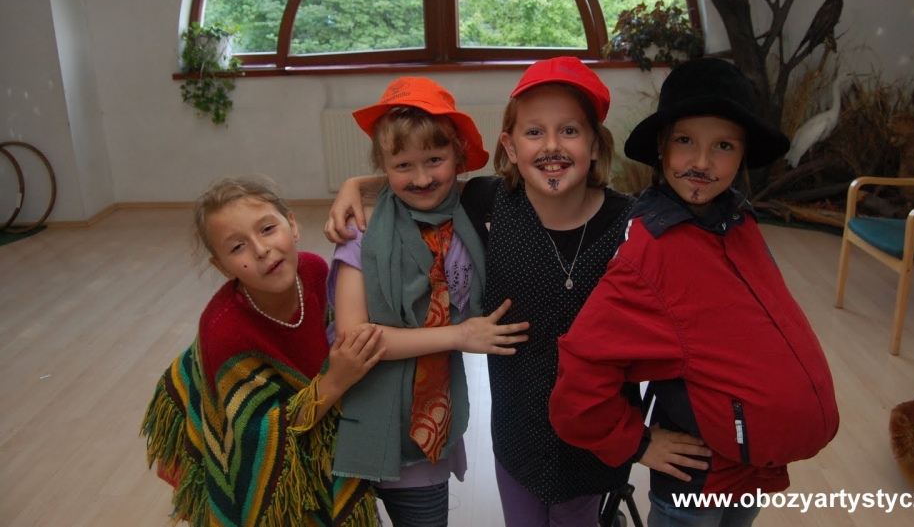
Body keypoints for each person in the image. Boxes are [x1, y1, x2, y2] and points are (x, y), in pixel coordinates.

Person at [326, 58, 695, 527]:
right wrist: (354, 186)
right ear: (510, 146)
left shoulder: (632, 225)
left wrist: (641, 439)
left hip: (594, 443)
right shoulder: (489, 203)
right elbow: (422, 180)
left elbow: (680, 330)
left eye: (569, 131)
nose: (552, 145)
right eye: (534, 132)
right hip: (517, 439)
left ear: (596, 145)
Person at [549, 58, 840, 527]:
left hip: (752, 469)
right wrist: (638, 442)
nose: (702, 162)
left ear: (743, 155)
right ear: (662, 147)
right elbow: (580, 383)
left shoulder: (738, 221)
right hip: (697, 486)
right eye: (685, 141)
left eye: (723, 145)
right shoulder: (651, 251)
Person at [328, 76, 530, 527]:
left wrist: (355, 182)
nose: (421, 179)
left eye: (435, 160)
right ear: (384, 166)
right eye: (403, 166)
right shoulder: (361, 231)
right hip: (357, 417)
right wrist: (459, 335)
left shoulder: (474, 211)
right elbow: (354, 337)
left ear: (458, 156)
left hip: (428, 422)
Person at [141, 174, 385, 526]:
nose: (260, 250)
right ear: (221, 267)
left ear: (293, 226)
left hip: (311, 406)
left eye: (268, 229)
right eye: (237, 247)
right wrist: (334, 382)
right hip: (248, 424)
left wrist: (354, 185)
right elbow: (254, 437)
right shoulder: (224, 331)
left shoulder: (315, 271)